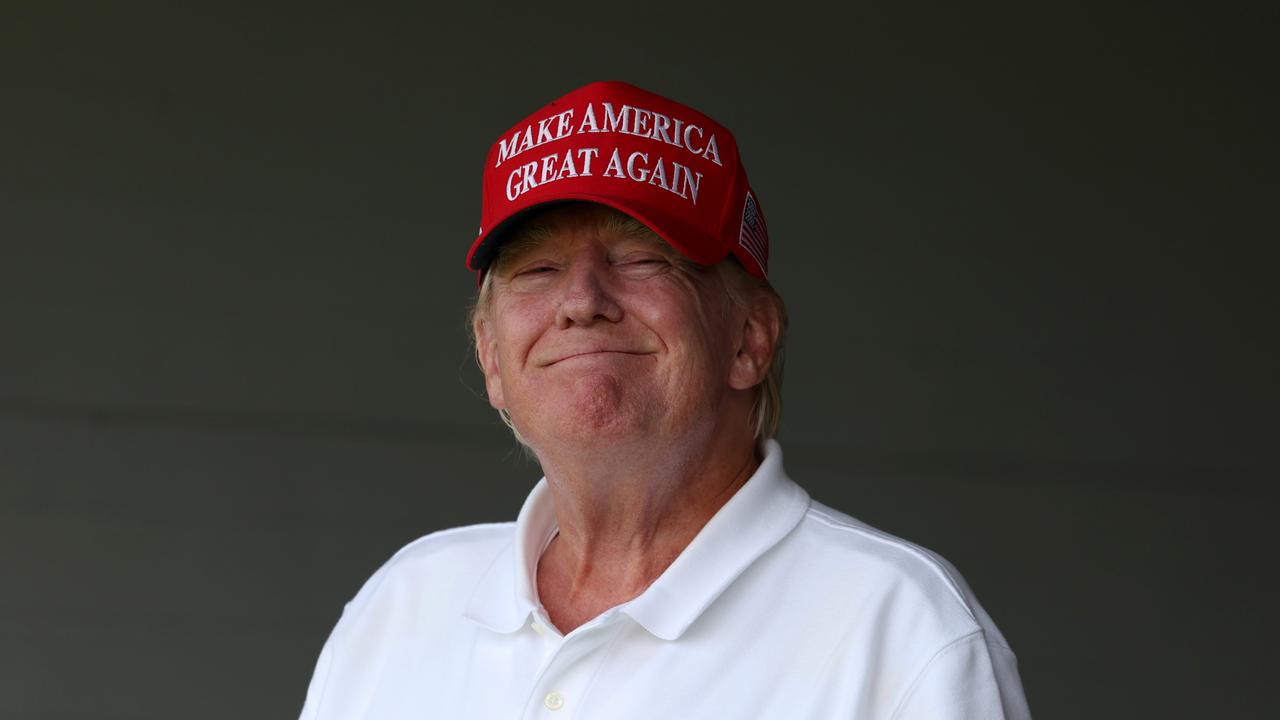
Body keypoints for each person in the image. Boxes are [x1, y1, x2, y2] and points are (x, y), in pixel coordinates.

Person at [298, 81, 1031, 719]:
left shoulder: (903, 632)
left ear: (750, 336)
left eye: (641, 257)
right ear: (492, 358)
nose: (582, 301)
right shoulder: (400, 608)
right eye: (539, 268)